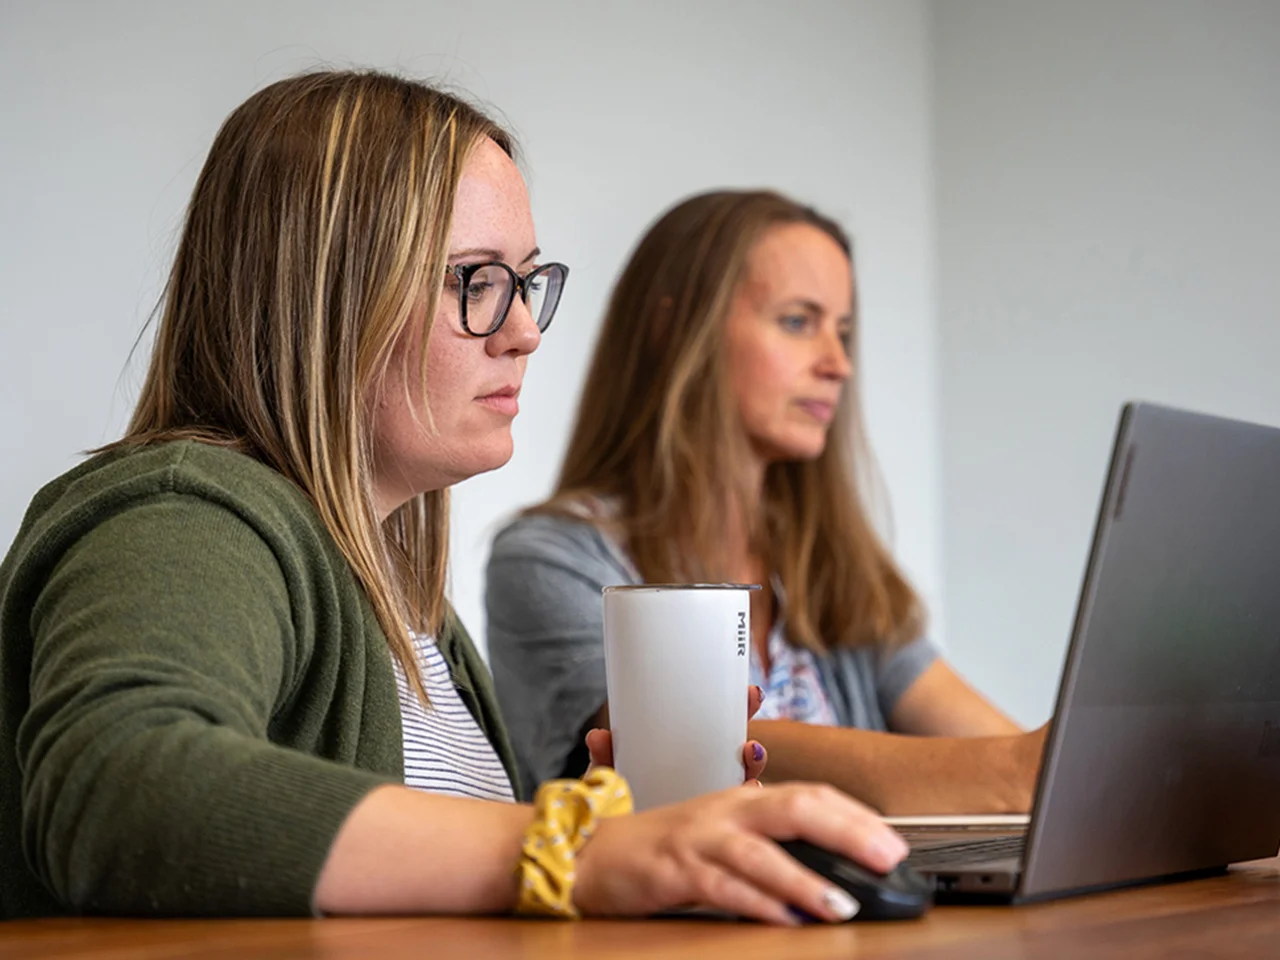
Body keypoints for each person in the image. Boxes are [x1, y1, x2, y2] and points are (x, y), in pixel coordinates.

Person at [0, 72, 909, 924]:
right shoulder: (186, 516)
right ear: (330, 296)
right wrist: (573, 847)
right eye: (477, 281)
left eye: (527, 284)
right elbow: (119, 783)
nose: (523, 333)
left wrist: (610, 813)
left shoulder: (412, 609)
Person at [486, 189, 1047, 815]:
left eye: (843, 332)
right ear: (674, 330)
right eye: (798, 322)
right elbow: (678, 750)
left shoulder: (830, 567)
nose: (839, 364)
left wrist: (1043, 767)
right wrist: (1021, 771)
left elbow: (1001, 746)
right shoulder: (549, 561)